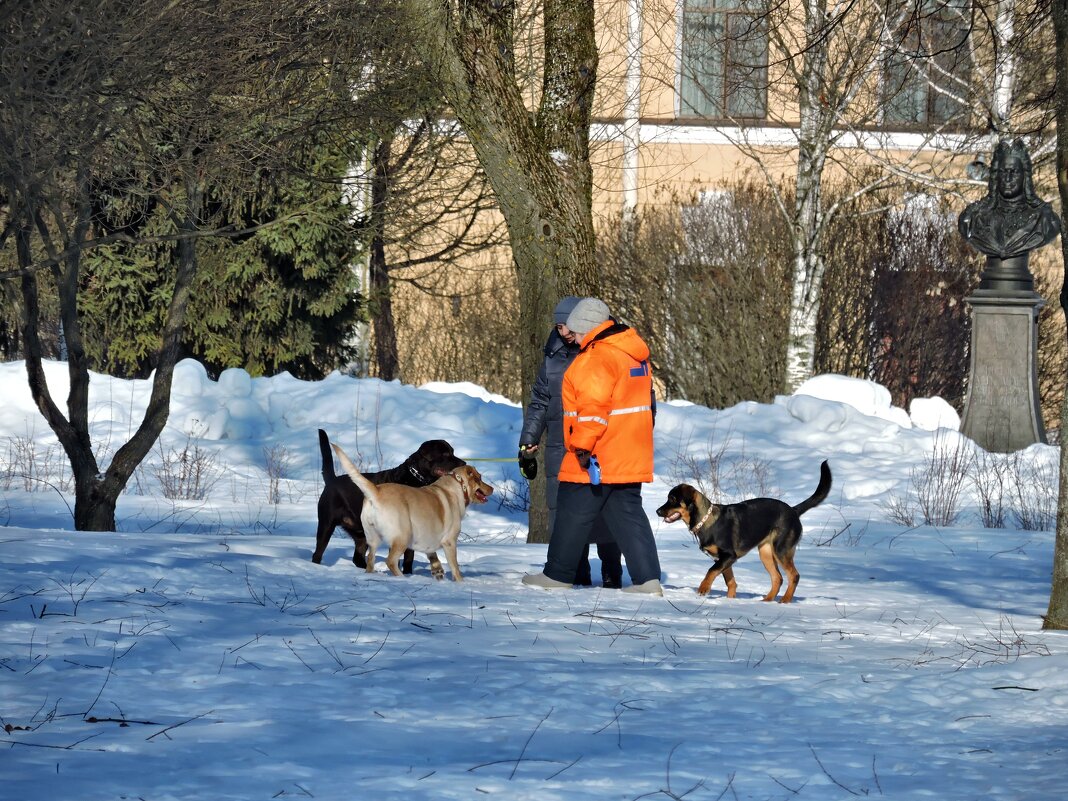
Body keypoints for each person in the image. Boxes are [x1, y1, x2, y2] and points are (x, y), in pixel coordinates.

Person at [522, 297, 663, 595]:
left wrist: (582, 448)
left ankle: (557, 575)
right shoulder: (633, 355)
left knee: (570, 511)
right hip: (629, 453)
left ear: (587, 327)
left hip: (597, 455)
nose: (574, 337)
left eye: (575, 330)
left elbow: (593, 410)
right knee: (629, 515)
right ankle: (648, 579)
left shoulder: (595, 358)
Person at [518, 297, 623, 588]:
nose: (563, 332)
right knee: (563, 512)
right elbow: (540, 399)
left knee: (605, 512)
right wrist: (529, 438)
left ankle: (612, 570)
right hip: (560, 445)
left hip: (600, 443)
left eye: (566, 325)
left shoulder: (604, 350)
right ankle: (576, 572)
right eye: (559, 325)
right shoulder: (553, 354)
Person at [958, 138, 1061, 260]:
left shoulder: (1044, 219)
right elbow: (966, 226)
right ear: (996, 176)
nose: (1008, 178)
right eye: (1003, 172)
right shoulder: (974, 218)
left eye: (1014, 172)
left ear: (1025, 177)